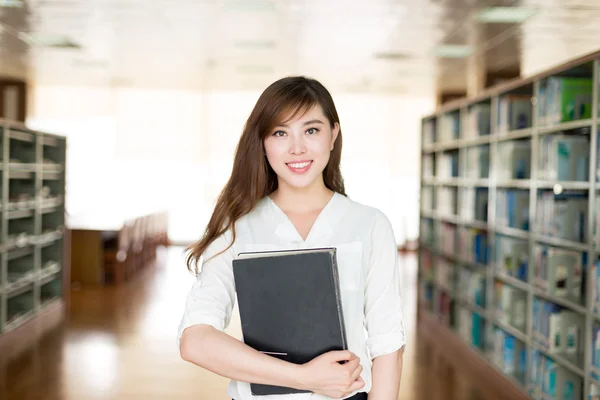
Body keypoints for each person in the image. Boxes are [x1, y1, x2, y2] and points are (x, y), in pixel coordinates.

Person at [178, 76, 406, 400]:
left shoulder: (369, 225)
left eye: (311, 130)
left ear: (333, 135)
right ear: (263, 142)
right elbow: (195, 341)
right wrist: (304, 378)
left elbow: (387, 345)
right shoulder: (237, 226)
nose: (297, 147)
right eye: (280, 133)